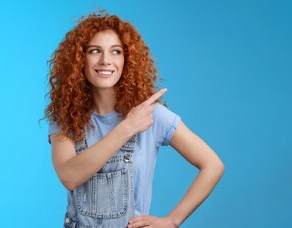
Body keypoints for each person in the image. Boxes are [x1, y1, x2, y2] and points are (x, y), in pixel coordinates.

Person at [45, 11, 224, 227]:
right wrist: (127, 128)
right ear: (79, 59)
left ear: (126, 60)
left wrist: (172, 221)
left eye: (116, 52)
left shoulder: (152, 115)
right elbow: (69, 176)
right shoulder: (65, 115)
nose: (105, 61)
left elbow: (212, 165)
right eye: (94, 51)